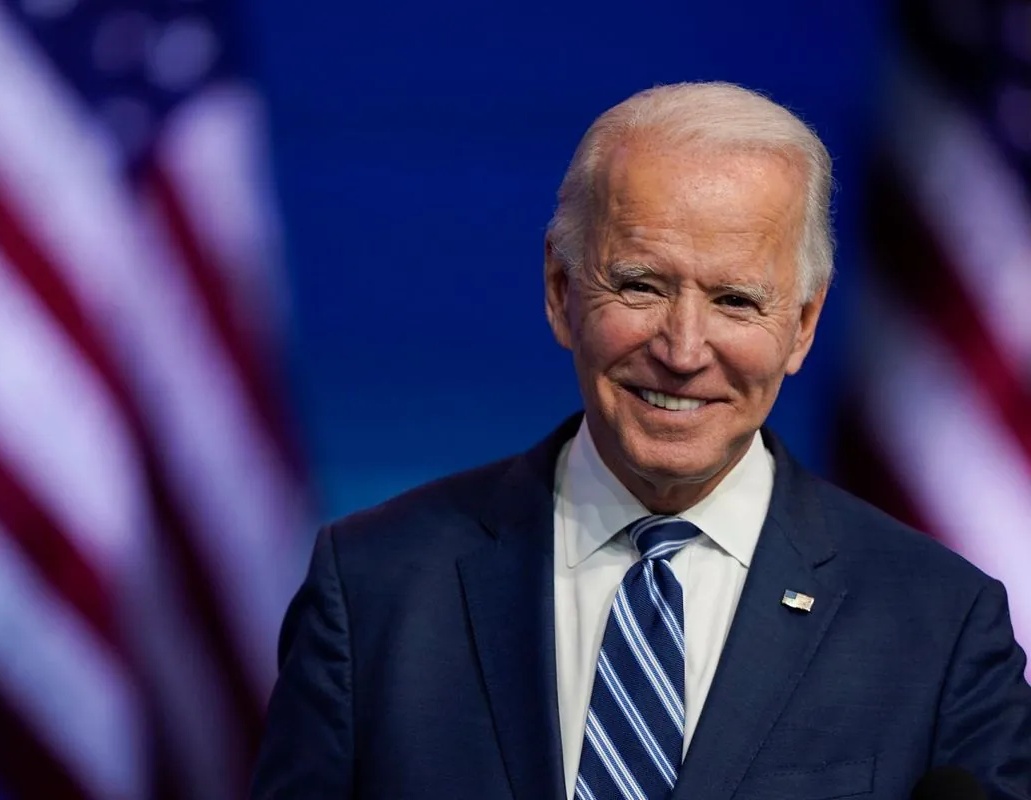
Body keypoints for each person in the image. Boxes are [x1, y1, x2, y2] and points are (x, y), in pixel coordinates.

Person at [250, 82, 1031, 799]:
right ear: (561, 292)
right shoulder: (374, 589)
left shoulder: (939, 624)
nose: (684, 350)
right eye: (641, 286)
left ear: (801, 325)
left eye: (734, 300)